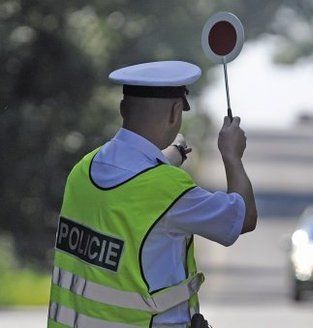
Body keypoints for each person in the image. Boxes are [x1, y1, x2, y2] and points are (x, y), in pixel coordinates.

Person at [47, 61, 257, 327]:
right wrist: (232, 155)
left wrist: (168, 156)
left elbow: (131, 190)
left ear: (123, 109)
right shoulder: (169, 189)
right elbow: (244, 218)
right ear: (175, 112)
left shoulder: (83, 170)